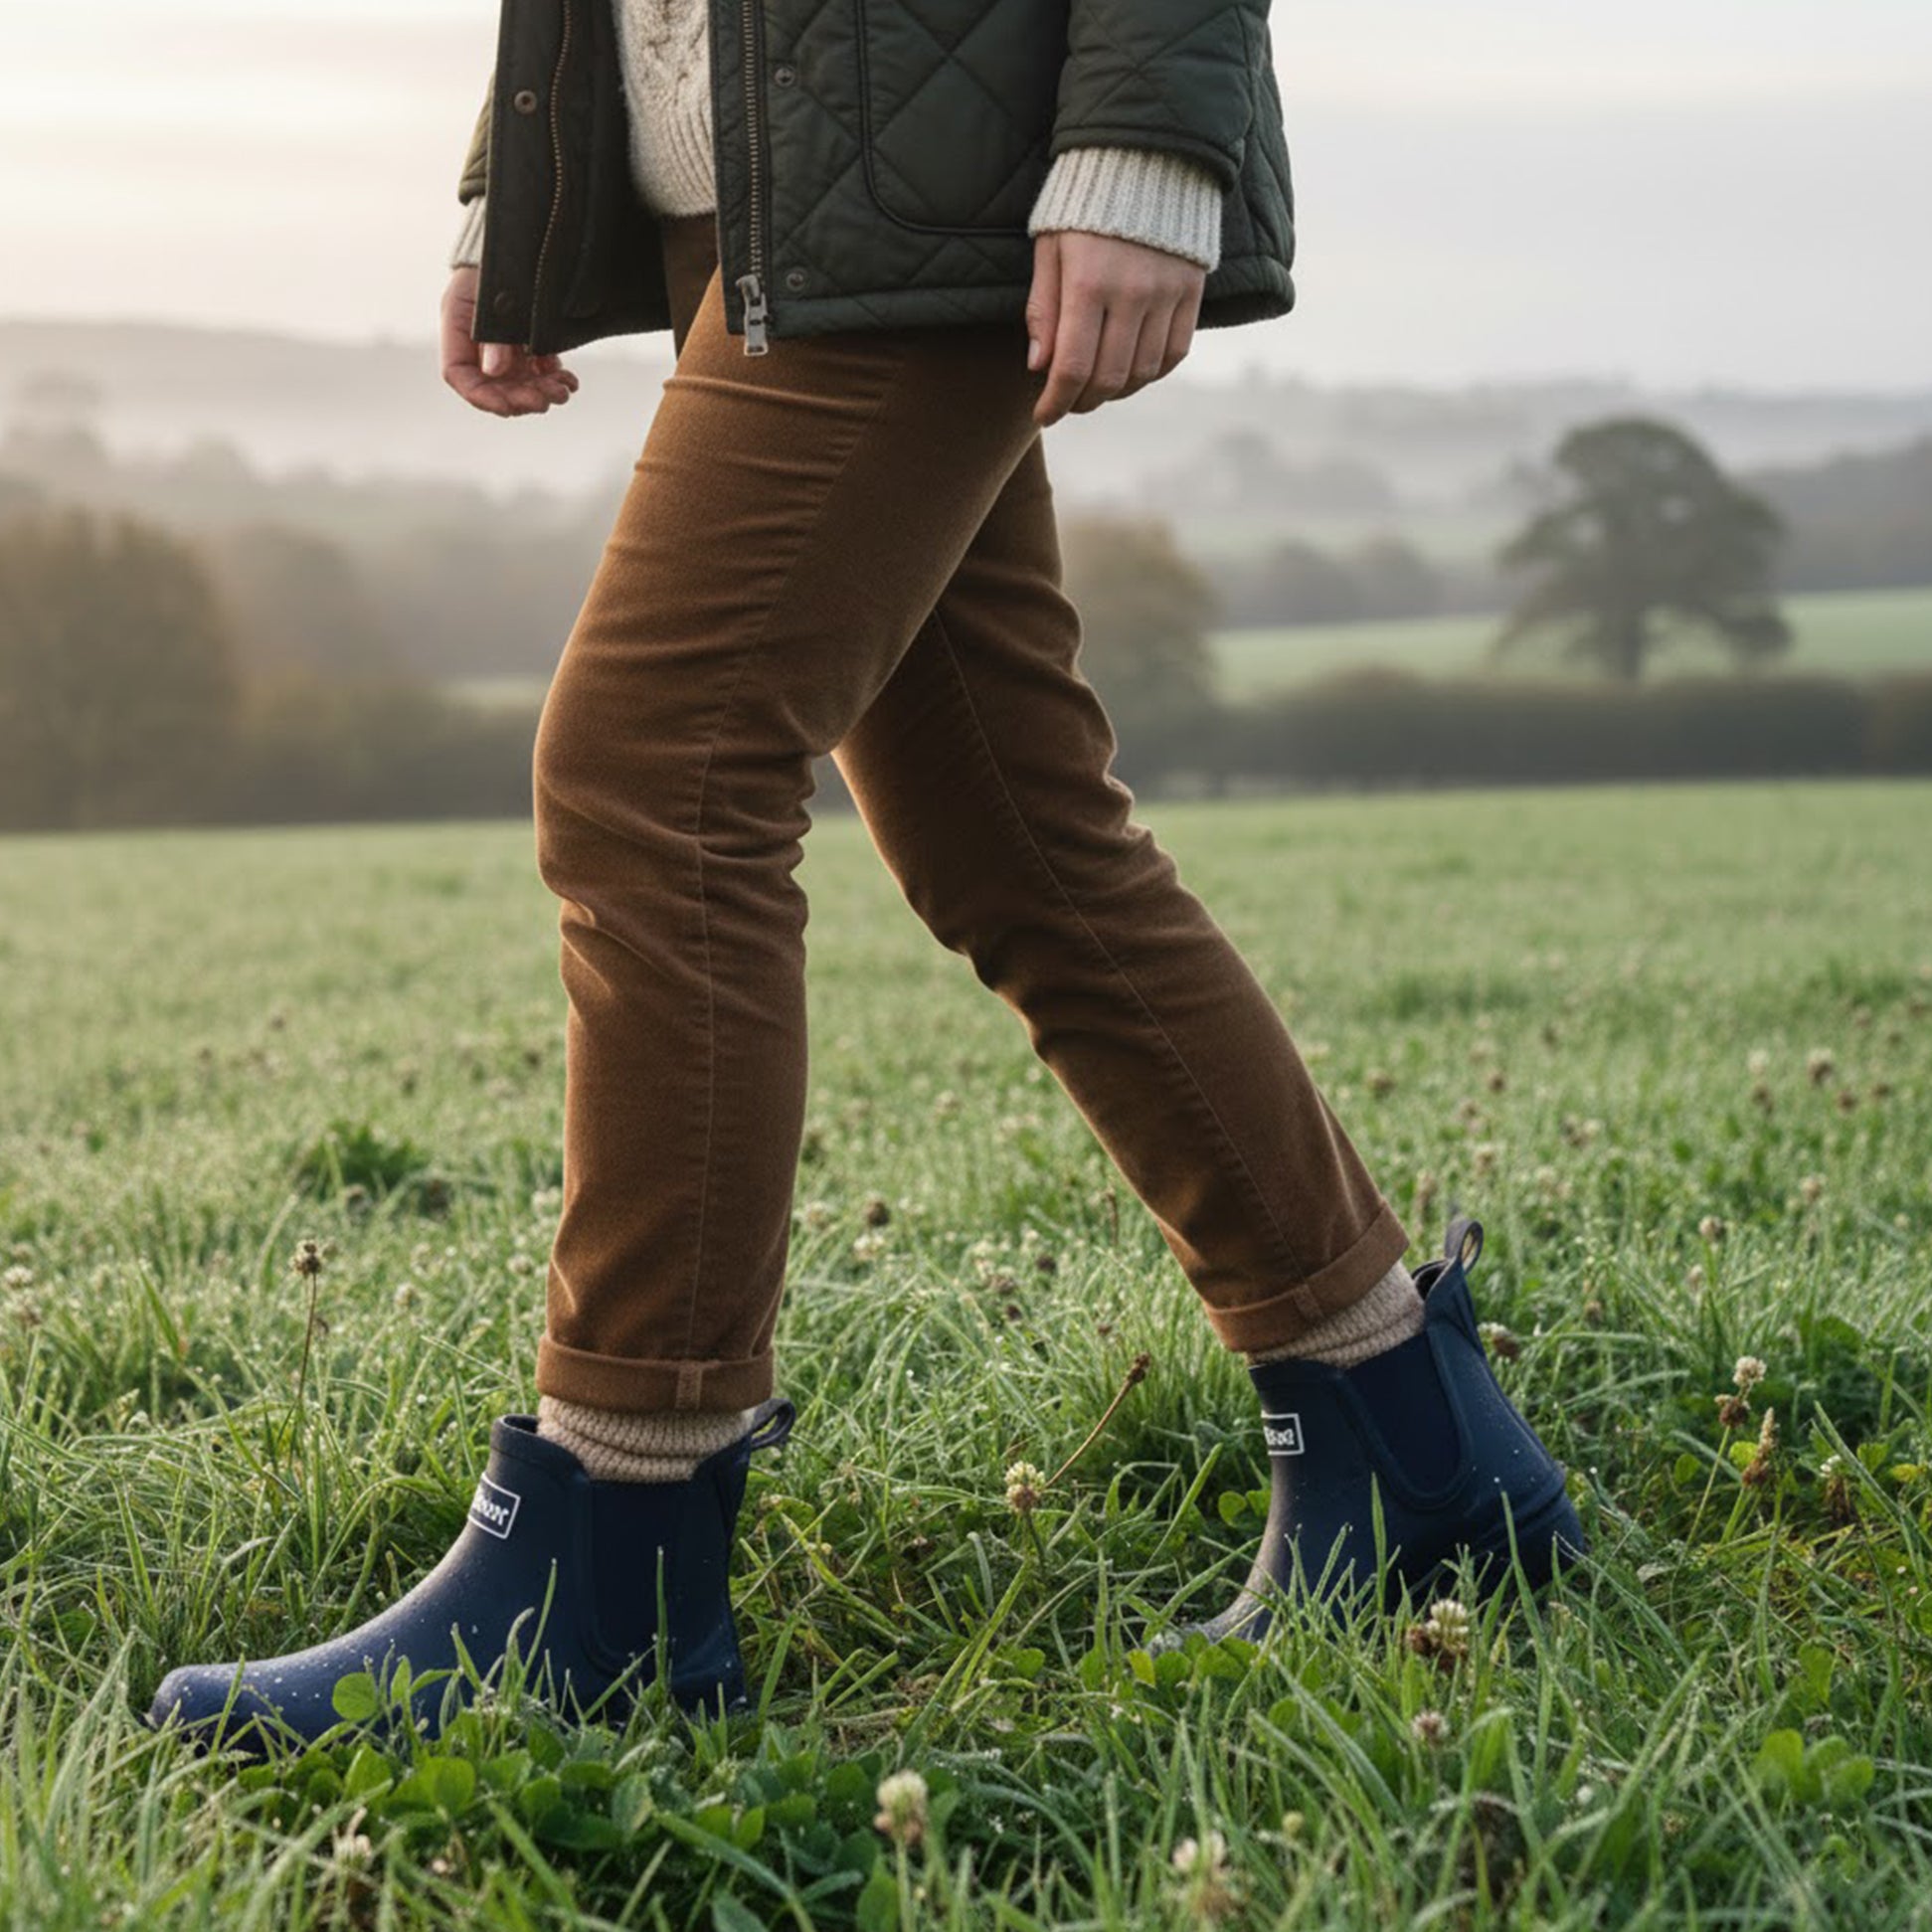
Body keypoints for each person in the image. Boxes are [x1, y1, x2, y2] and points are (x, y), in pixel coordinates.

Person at [146, 0, 1585, 1760]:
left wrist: (1151, 129)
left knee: (651, 771)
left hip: (935, 147)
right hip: (782, 177)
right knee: (1012, 824)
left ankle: (613, 1547)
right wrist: (514, 182)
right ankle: (1410, 1444)